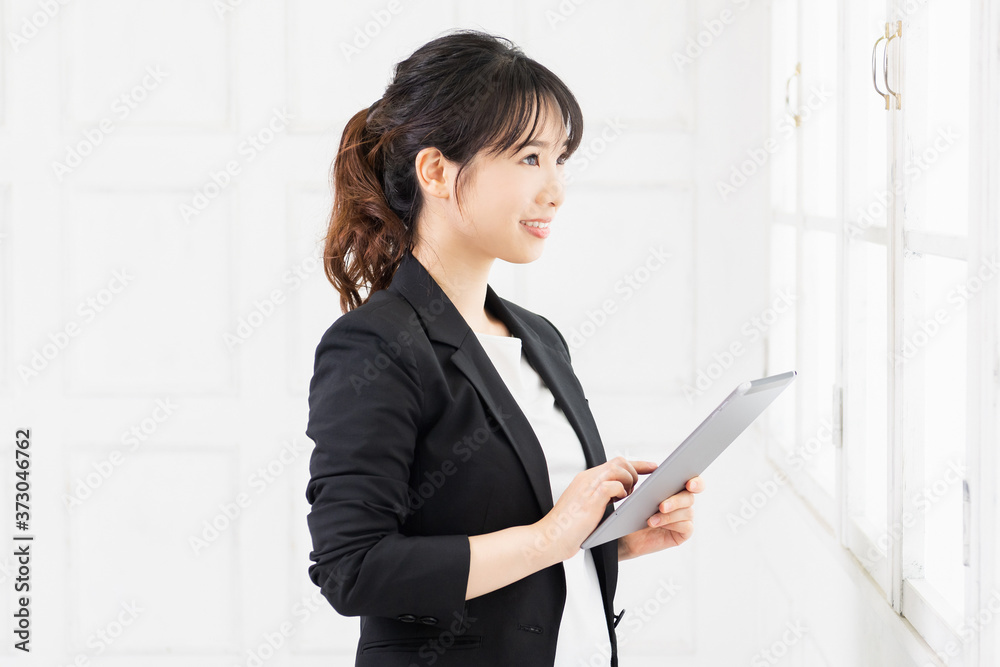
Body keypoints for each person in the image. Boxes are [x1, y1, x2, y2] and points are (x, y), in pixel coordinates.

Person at [304, 28, 705, 667]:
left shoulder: (538, 337)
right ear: (436, 171)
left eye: (560, 159)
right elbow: (353, 569)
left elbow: (526, 540)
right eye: (528, 158)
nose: (556, 189)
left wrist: (610, 541)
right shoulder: (373, 345)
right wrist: (551, 538)